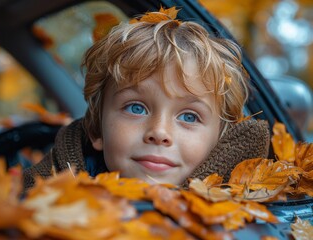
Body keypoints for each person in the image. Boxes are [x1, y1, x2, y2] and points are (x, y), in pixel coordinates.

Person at [23, 7, 270, 190]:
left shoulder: (242, 196)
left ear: (218, 140)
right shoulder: (44, 187)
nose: (159, 132)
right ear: (97, 130)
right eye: (136, 108)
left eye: (189, 116)